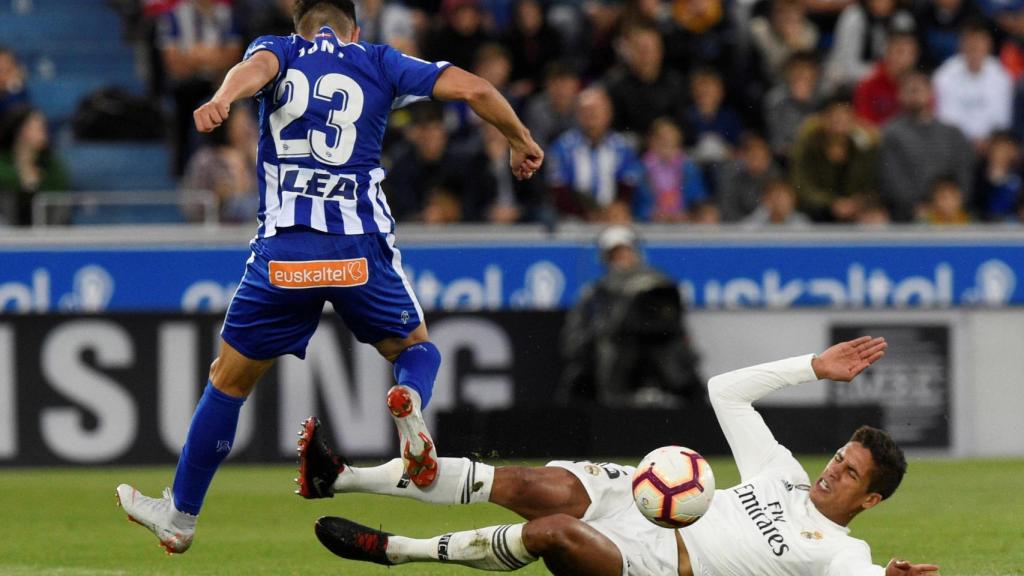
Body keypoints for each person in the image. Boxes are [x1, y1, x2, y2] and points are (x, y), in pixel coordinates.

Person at [116, 0, 543, 554]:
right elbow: (477, 90)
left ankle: (181, 515)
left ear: (302, 25)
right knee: (415, 349)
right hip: (359, 250)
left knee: (228, 380)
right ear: (354, 29)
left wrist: (222, 97)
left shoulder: (280, 49)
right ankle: (409, 402)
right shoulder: (382, 60)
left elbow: (257, 72)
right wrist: (519, 139)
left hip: (287, 253)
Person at [301, 336, 941, 576]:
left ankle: (397, 552)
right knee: (530, 485)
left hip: (658, 558)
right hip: (637, 494)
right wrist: (811, 367)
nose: (832, 469)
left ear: (871, 499)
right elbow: (725, 392)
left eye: (849, 473)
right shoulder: (783, 475)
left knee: (552, 534)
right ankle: (344, 478)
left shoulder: (840, 550)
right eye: (838, 456)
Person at [558, 225, 703, 407]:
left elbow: (677, 330)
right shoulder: (595, 295)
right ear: (606, 259)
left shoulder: (660, 287)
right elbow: (573, 342)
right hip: (615, 366)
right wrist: (607, 330)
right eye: (616, 255)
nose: (623, 259)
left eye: (626, 252)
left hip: (664, 365)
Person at [878, 71, 973, 222]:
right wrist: (916, 206)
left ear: (931, 93)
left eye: (918, 89)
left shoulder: (953, 133)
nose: (914, 95)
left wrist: (952, 203)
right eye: (909, 90)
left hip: (951, 214)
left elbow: (964, 173)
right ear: (900, 95)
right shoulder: (890, 133)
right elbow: (891, 178)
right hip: (907, 216)